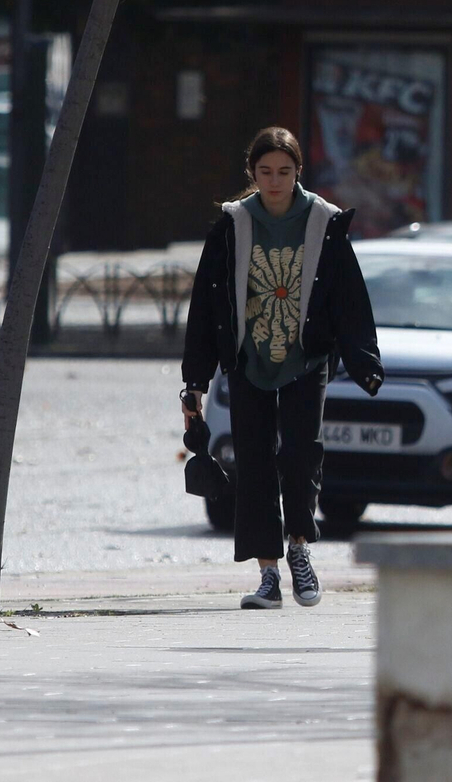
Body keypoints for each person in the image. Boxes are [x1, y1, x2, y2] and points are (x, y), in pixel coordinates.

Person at [181, 127, 384, 609]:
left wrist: (364, 361)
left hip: (304, 359)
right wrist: (195, 381)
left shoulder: (324, 222)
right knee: (251, 466)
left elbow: (348, 297)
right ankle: (267, 573)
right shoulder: (232, 225)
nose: (275, 181)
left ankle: (299, 550)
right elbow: (206, 309)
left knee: (299, 457)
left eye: (285, 172)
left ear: (298, 173)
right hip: (248, 362)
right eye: (266, 171)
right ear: (252, 172)